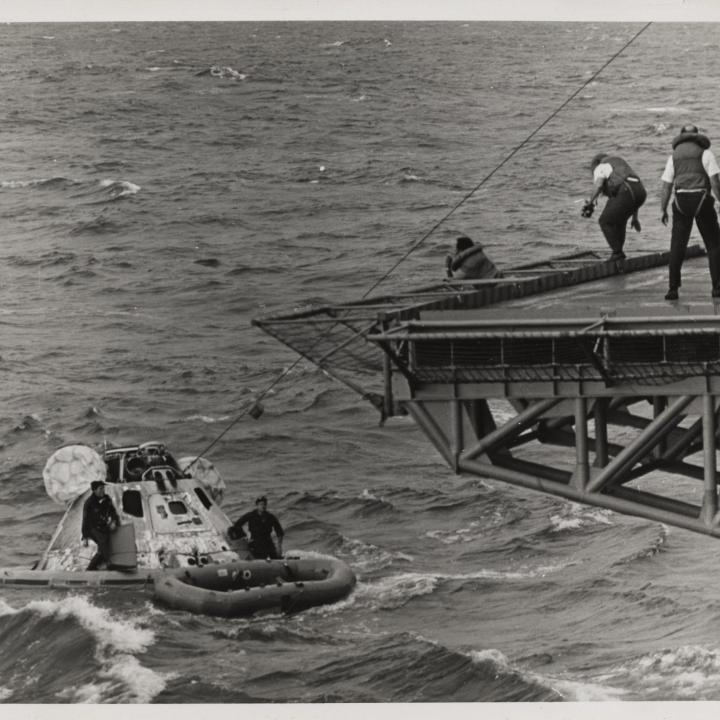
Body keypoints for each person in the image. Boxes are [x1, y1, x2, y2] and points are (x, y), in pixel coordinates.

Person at [660, 123, 720, 300]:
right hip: (701, 200)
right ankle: (717, 287)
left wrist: (662, 209)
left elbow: (666, 187)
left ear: (681, 136)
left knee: (677, 246)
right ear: (697, 135)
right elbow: (715, 182)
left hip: (680, 202)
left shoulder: (674, 157)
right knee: (714, 244)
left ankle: (673, 289)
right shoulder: (706, 153)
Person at [581, 153, 647, 261]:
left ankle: (617, 253)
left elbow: (598, 185)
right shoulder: (618, 164)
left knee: (604, 221)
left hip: (626, 191)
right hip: (640, 192)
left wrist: (590, 203)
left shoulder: (601, 166)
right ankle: (618, 253)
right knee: (620, 221)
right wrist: (635, 218)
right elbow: (633, 192)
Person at [81, 480, 120, 571]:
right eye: (101, 489)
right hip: (93, 529)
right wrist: (85, 537)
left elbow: (113, 511)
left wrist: (114, 521)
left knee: (103, 550)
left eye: (103, 488)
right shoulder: (89, 503)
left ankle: (93, 568)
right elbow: (85, 520)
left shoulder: (106, 499)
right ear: (94, 490)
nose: (103, 490)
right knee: (104, 547)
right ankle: (109, 567)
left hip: (103, 527)